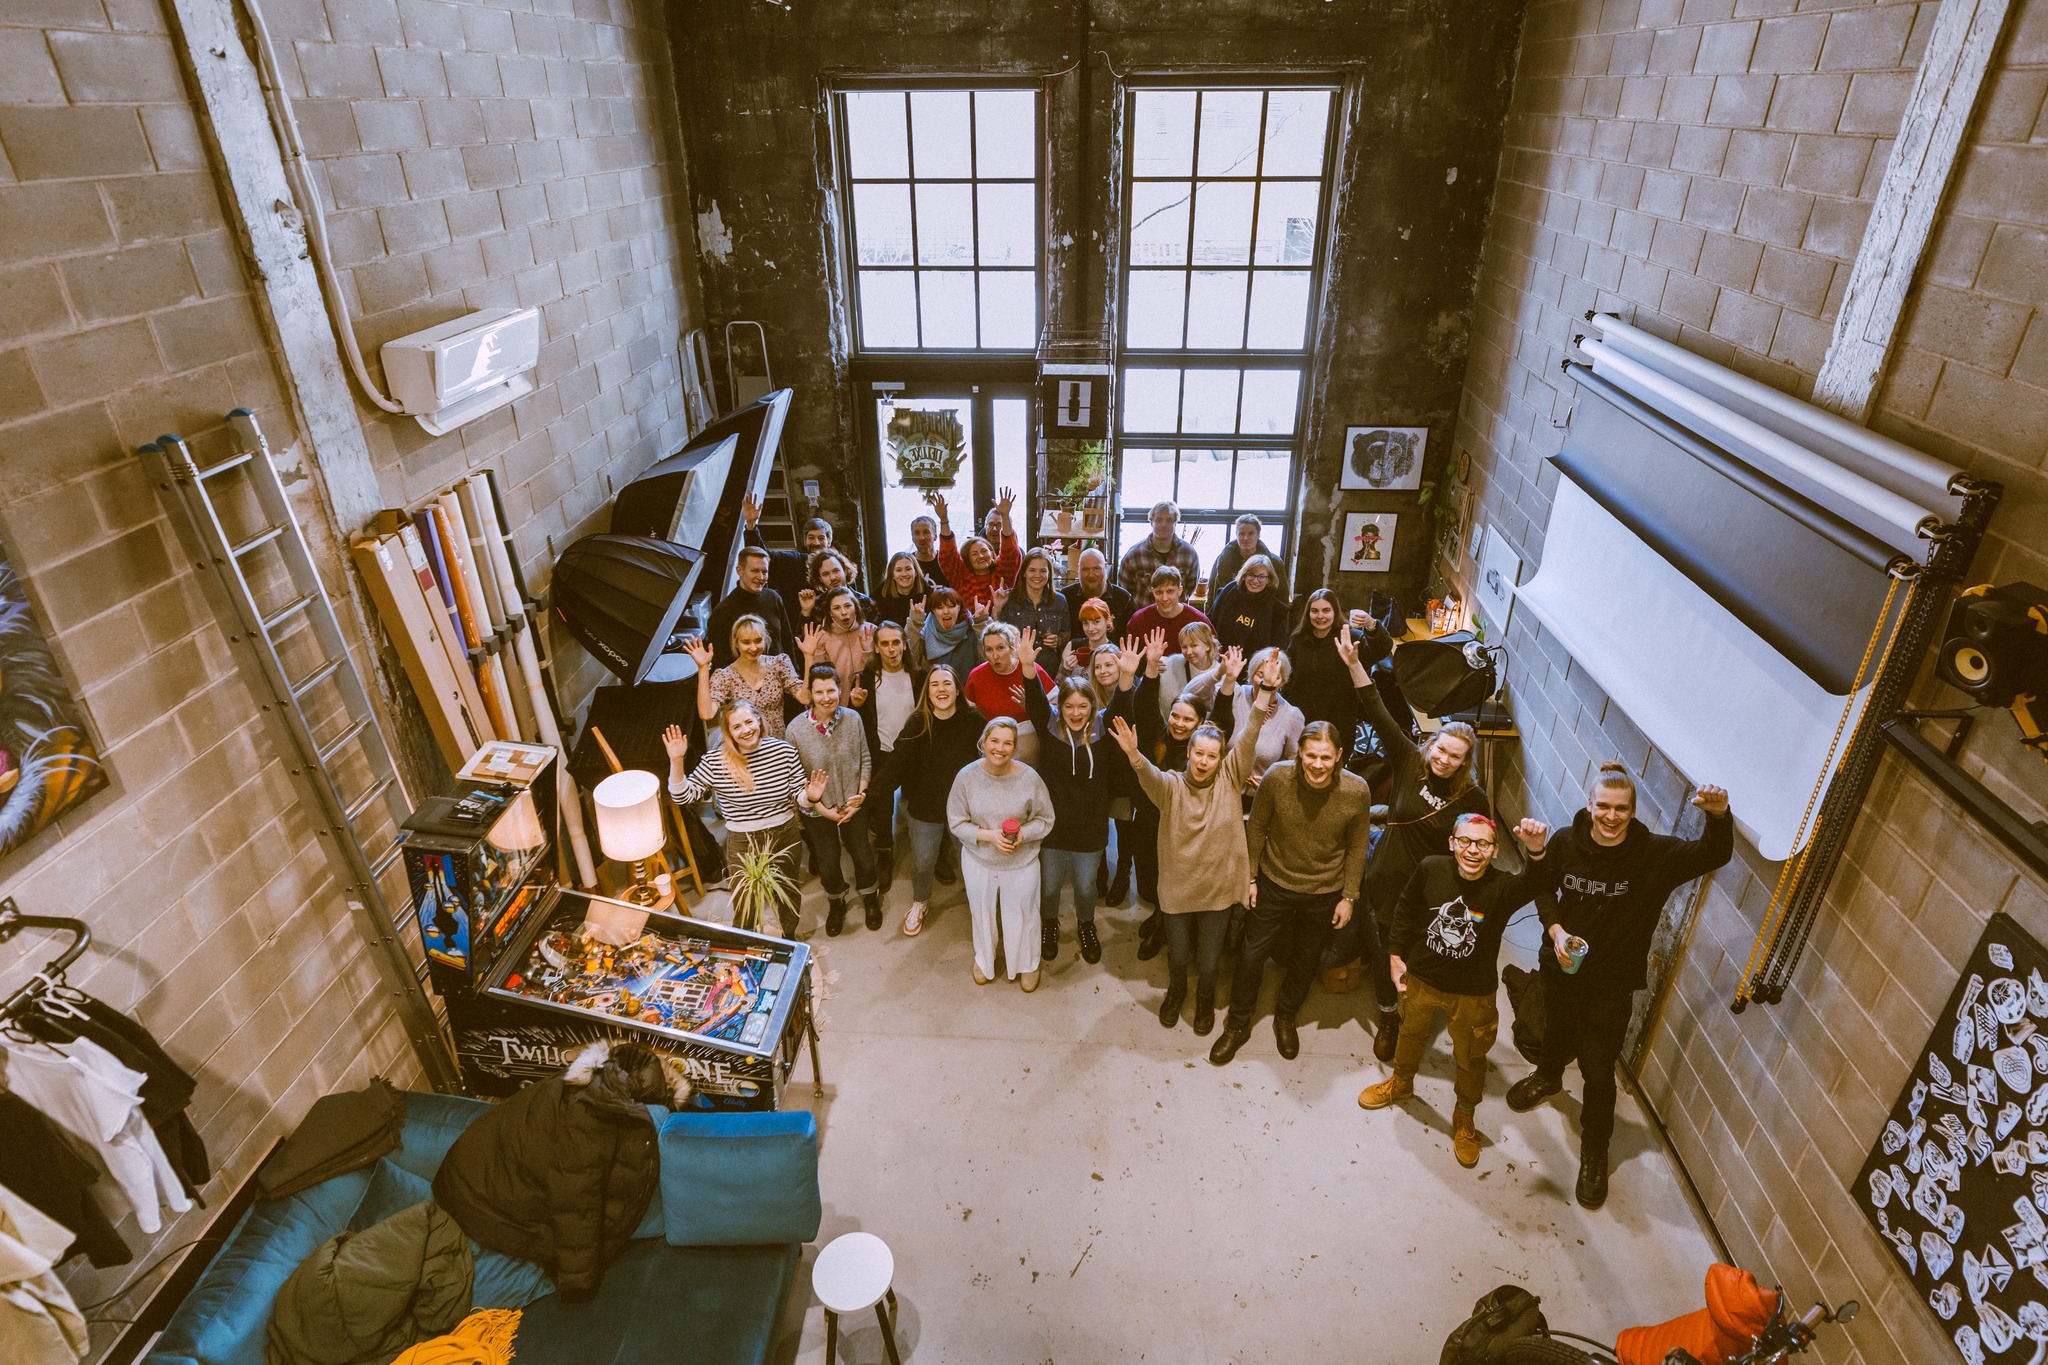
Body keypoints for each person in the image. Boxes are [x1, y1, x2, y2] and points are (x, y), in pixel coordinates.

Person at [1505, 766, 1733, 1209]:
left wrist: (1719, 816)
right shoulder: (1565, 843)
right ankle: (1548, 1077)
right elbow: (1544, 888)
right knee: (1554, 1031)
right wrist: (1555, 931)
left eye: (1621, 809)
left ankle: (1594, 1149)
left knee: (1597, 1070)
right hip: (1561, 969)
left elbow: (1713, 853)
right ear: (1590, 805)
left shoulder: (1654, 855)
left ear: (1633, 811)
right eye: (1604, 807)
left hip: (1611, 984)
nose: (1611, 816)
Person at [1356, 814, 1551, 1168]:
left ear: (1495, 850)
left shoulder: (1502, 887)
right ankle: (1401, 1083)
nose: (1472, 850)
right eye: (1465, 841)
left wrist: (1536, 851)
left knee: (1471, 1057)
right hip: (1421, 979)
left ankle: (1464, 1115)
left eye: (1483, 843)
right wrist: (1395, 956)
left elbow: (1536, 883)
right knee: (1409, 1035)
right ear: (1451, 843)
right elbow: (1405, 908)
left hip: (1473, 993)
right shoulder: (1431, 868)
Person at [1330, 629, 1490, 1053]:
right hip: (1385, 874)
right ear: (1431, 745)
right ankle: (1389, 1014)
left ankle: (1408, 1012)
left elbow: (1479, 848)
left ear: (1464, 762)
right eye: (1441, 750)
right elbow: (1377, 709)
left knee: (1415, 952)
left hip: (1427, 890)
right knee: (1385, 947)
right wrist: (1353, 664)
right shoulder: (1409, 761)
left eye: (1454, 756)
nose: (1443, 760)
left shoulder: (1473, 799)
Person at [1209, 720, 1373, 1066]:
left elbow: (1358, 846)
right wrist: (1249, 878)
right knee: (1252, 955)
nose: (1317, 765)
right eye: (1311, 755)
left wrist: (1349, 897)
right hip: (1275, 881)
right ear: (1299, 752)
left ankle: (1286, 1016)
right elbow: (1256, 827)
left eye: (1325, 757)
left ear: (1339, 755)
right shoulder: (1277, 778)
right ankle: (1238, 1023)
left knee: (1306, 958)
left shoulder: (1356, 791)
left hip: (1325, 890)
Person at [1108, 685, 1269, 1036]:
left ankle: (1204, 997)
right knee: (1178, 956)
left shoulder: (1231, 778)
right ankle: (1177, 989)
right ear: (1190, 753)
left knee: (1209, 962)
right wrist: (1134, 754)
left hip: (1217, 892)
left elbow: (1250, 734)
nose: (1204, 761)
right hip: (1177, 891)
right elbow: (1149, 775)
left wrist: (1266, 692)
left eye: (1212, 755)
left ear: (1221, 758)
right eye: (1199, 753)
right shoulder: (1171, 787)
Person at [1123, 629, 1237, 956]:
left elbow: (1223, 718)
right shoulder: (1157, 735)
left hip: (1182, 830)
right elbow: (1144, 704)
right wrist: (1151, 665)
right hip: (1149, 821)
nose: (1179, 723)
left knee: (1173, 881)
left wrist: (1228, 681)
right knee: (1150, 879)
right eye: (1175, 715)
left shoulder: (1201, 749)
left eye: (1188, 719)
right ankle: (1159, 915)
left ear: (1200, 723)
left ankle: (1161, 929)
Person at [664, 705, 823, 939]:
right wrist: (677, 760)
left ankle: (788, 936)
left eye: (749, 722)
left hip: (784, 833)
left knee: (787, 891)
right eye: (736, 726)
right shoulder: (716, 761)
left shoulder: (784, 751)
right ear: (728, 732)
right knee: (745, 898)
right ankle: (745, 939)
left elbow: (799, 794)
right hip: (743, 840)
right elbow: (682, 797)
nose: (745, 730)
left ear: (759, 720)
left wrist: (811, 797)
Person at [1020, 636, 1114, 967]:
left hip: (1091, 826)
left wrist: (1129, 676)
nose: (1075, 713)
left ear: (1093, 708)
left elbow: (1127, 704)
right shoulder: (1049, 727)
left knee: (1086, 888)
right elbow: (1035, 701)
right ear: (1059, 708)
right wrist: (1028, 667)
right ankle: (1049, 923)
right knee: (1049, 887)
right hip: (1052, 825)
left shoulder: (1104, 729)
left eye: (1082, 706)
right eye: (1069, 706)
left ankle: (1086, 925)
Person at [947, 718, 1055, 989]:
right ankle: (984, 959)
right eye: (994, 740)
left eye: (1008, 743)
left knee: (1024, 913)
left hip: (1021, 861)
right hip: (979, 859)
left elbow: (1046, 819)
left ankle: (1028, 963)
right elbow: (956, 822)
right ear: (983, 743)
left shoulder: (1030, 779)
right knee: (981, 913)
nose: (1000, 748)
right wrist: (990, 836)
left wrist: (1023, 835)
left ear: (1015, 748)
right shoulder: (966, 777)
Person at [892, 665, 985, 936]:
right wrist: (868, 795)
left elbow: (988, 759)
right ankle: (920, 902)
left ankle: (979, 903)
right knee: (923, 861)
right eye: (934, 684)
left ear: (957, 690)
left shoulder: (974, 720)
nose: (941, 689)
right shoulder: (917, 721)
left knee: (971, 860)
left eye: (947, 683)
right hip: (925, 807)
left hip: (964, 809)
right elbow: (897, 762)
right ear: (928, 692)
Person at [787, 665, 879, 936]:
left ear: (840, 690)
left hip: (853, 805)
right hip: (817, 810)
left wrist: (859, 797)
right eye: (819, 692)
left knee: (863, 855)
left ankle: (870, 897)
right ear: (811, 694)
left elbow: (865, 759)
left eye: (831, 690)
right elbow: (796, 779)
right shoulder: (795, 730)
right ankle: (836, 902)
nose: (826, 697)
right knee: (827, 862)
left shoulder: (853, 718)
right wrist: (823, 810)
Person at [852, 620, 922, 893]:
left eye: (896, 643)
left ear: (904, 645)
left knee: (921, 804)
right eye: (885, 644)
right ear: (876, 648)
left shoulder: (918, 675)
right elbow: (856, 719)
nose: (891, 649)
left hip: (913, 752)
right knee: (882, 811)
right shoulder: (866, 678)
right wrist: (855, 705)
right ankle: (885, 853)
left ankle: (933, 852)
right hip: (881, 752)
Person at [1283, 589, 1392, 741]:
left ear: (1335, 612)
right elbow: (1287, 677)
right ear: (1308, 613)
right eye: (1314, 611)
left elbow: (1382, 649)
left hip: (1339, 715)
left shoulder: (1350, 637)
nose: (1320, 616)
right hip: (1302, 714)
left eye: (1326, 610)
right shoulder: (1299, 639)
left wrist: (1371, 624)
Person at [690, 616, 806, 741]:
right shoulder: (725, 676)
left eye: (758, 641)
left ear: (765, 639)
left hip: (776, 744)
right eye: (746, 642)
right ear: (736, 643)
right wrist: (703, 668)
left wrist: (809, 656)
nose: (753, 648)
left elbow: (805, 698)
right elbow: (706, 713)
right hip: (744, 746)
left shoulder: (779, 664)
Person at [962, 621, 1054, 767]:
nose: (995, 656)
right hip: (994, 755)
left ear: (1012, 648)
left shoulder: (1030, 669)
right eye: (989, 650)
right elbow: (967, 717)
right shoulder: (976, 676)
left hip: (1032, 756)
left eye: (1000, 648)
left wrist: (1033, 705)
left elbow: (1057, 712)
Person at [741, 494, 831, 626]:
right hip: (795, 627)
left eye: (821, 538)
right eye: (811, 537)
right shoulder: (793, 562)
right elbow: (762, 556)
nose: (816, 543)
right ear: (804, 541)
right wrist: (751, 526)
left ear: (829, 542)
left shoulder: (838, 568)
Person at [932, 488, 1021, 616]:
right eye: (974, 554)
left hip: (1001, 626)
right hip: (968, 627)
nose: (980, 556)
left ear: (992, 554)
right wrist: (944, 519)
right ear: (967, 559)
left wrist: (1005, 516)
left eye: (984, 551)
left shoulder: (1002, 573)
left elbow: (1010, 552)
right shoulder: (960, 576)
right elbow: (948, 555)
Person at [1227, 647, 1304, 792]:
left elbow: (1294, 763)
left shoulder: (1292, 716)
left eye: (1275, 677)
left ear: (1283, 681)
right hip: (1224, 789)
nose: (1267, 681)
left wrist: (1272, 779)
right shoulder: (1235, 695)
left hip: (1260, 795)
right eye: (1260, 674)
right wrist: (1219, 672)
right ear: (1251, 675)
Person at [705, 544, 788, 669]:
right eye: (754, 571)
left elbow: (787, 641)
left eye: (764, 572)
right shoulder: (722, 613)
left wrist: (794, 673)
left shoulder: (773, 598)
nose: (760, 577)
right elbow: (721, 663)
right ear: (739, 570)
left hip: (781, 675)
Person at [1117, 500, 1202, 600]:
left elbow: (1190, 588)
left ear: (1175, 522)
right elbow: (1125, 592)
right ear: (1151, 522)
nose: (1164, 525)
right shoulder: (1134, 555)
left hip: (1177, 610)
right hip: (1144, 610)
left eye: (1169, 520)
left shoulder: (1189, 554)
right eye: (1159, 520)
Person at [1208, 553, 1288, 658]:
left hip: (1256, 663)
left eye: (1261, 577)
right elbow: (1210, 622)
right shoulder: (1228, 592)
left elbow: (1278, 647)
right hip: (1221, 657)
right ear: (1244, 576)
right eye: (1251, 575)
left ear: (1268, 580)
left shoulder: (1277, 610)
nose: (1255, 580)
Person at [997, 548, 1071, 659]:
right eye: (1032, 570)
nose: (1037, 575)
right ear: (1024, 573)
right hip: (1016, 663)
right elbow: (998, 634)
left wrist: (1058, 640)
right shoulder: (1008, 599)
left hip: (1049, 664)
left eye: (1043, 571)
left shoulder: (1059, 601)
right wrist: (997, 609)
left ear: (1049, 574)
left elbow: (1066, 633)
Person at [1126, 566, 1211, 654]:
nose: (1165, 598)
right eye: (1159, 592)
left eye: (1170, 591)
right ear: (1153, 592)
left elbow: (1214, 654)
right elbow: (1129, 656)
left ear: (1180, 590)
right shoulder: (1138, 620)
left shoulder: (1198, 620)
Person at [800, 589, 872, 684]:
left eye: (848, 606)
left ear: (855, 607)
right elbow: (819, 679)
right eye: (836, 608)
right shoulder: (821, 637)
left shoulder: (871, 630)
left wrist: (868, 653)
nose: (843, 612)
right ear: (830, 613)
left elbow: (881, 670)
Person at [1209, 514, 1289, 599]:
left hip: (1263, 606)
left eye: (1251, 533)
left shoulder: (1274, 562)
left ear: (1258, 535)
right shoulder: (1223, 560)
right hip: (1229, 605)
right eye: (1241, 534)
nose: (1246, 538)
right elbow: (1212, 590)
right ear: (1236, 535)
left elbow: (1282, 595)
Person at [1158, 621, 1224, 724]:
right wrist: (1152, 666)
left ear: (1208, 645)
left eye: (1194, 645)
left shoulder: (1221, 673)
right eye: (1184, 647)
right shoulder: (1170, 663)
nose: (1188, 652)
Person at [1060, 547, 1133, 638]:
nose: (1091, 575)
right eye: (1085, 569)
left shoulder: (1123, 599)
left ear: (1105, 567)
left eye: (1096, 568)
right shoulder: (1067, 596)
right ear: (1078, 570)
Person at [911, 586, 983, 677]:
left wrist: (982, 622)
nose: (946, 611)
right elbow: (909, 661)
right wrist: (915, 623)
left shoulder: (973, 628)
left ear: (959, 607)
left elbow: (988, 659)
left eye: (951, 606)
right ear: (933, 611)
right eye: (940, 608)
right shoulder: (925, 632)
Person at [874, 551, 931, 627]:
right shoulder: (880, 594)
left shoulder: (926, 591)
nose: (904, 574)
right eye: (899, 570)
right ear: (892, 575)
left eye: (908, 569)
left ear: (916, 572)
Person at [1063, 597, 1116, 674]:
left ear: (1108, 621)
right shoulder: (1072, 646)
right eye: (1085, 623)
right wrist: (1066, 669)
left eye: (1096, 622)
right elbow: (1057, 680)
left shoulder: (1115, 652)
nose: (1090, 628)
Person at [909, 513, 949, 588]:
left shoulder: (946, 562)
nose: (921, 538)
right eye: (917, 533)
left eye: (926, 532)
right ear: (912, 538)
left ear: (935, 536)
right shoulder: (908, 564)